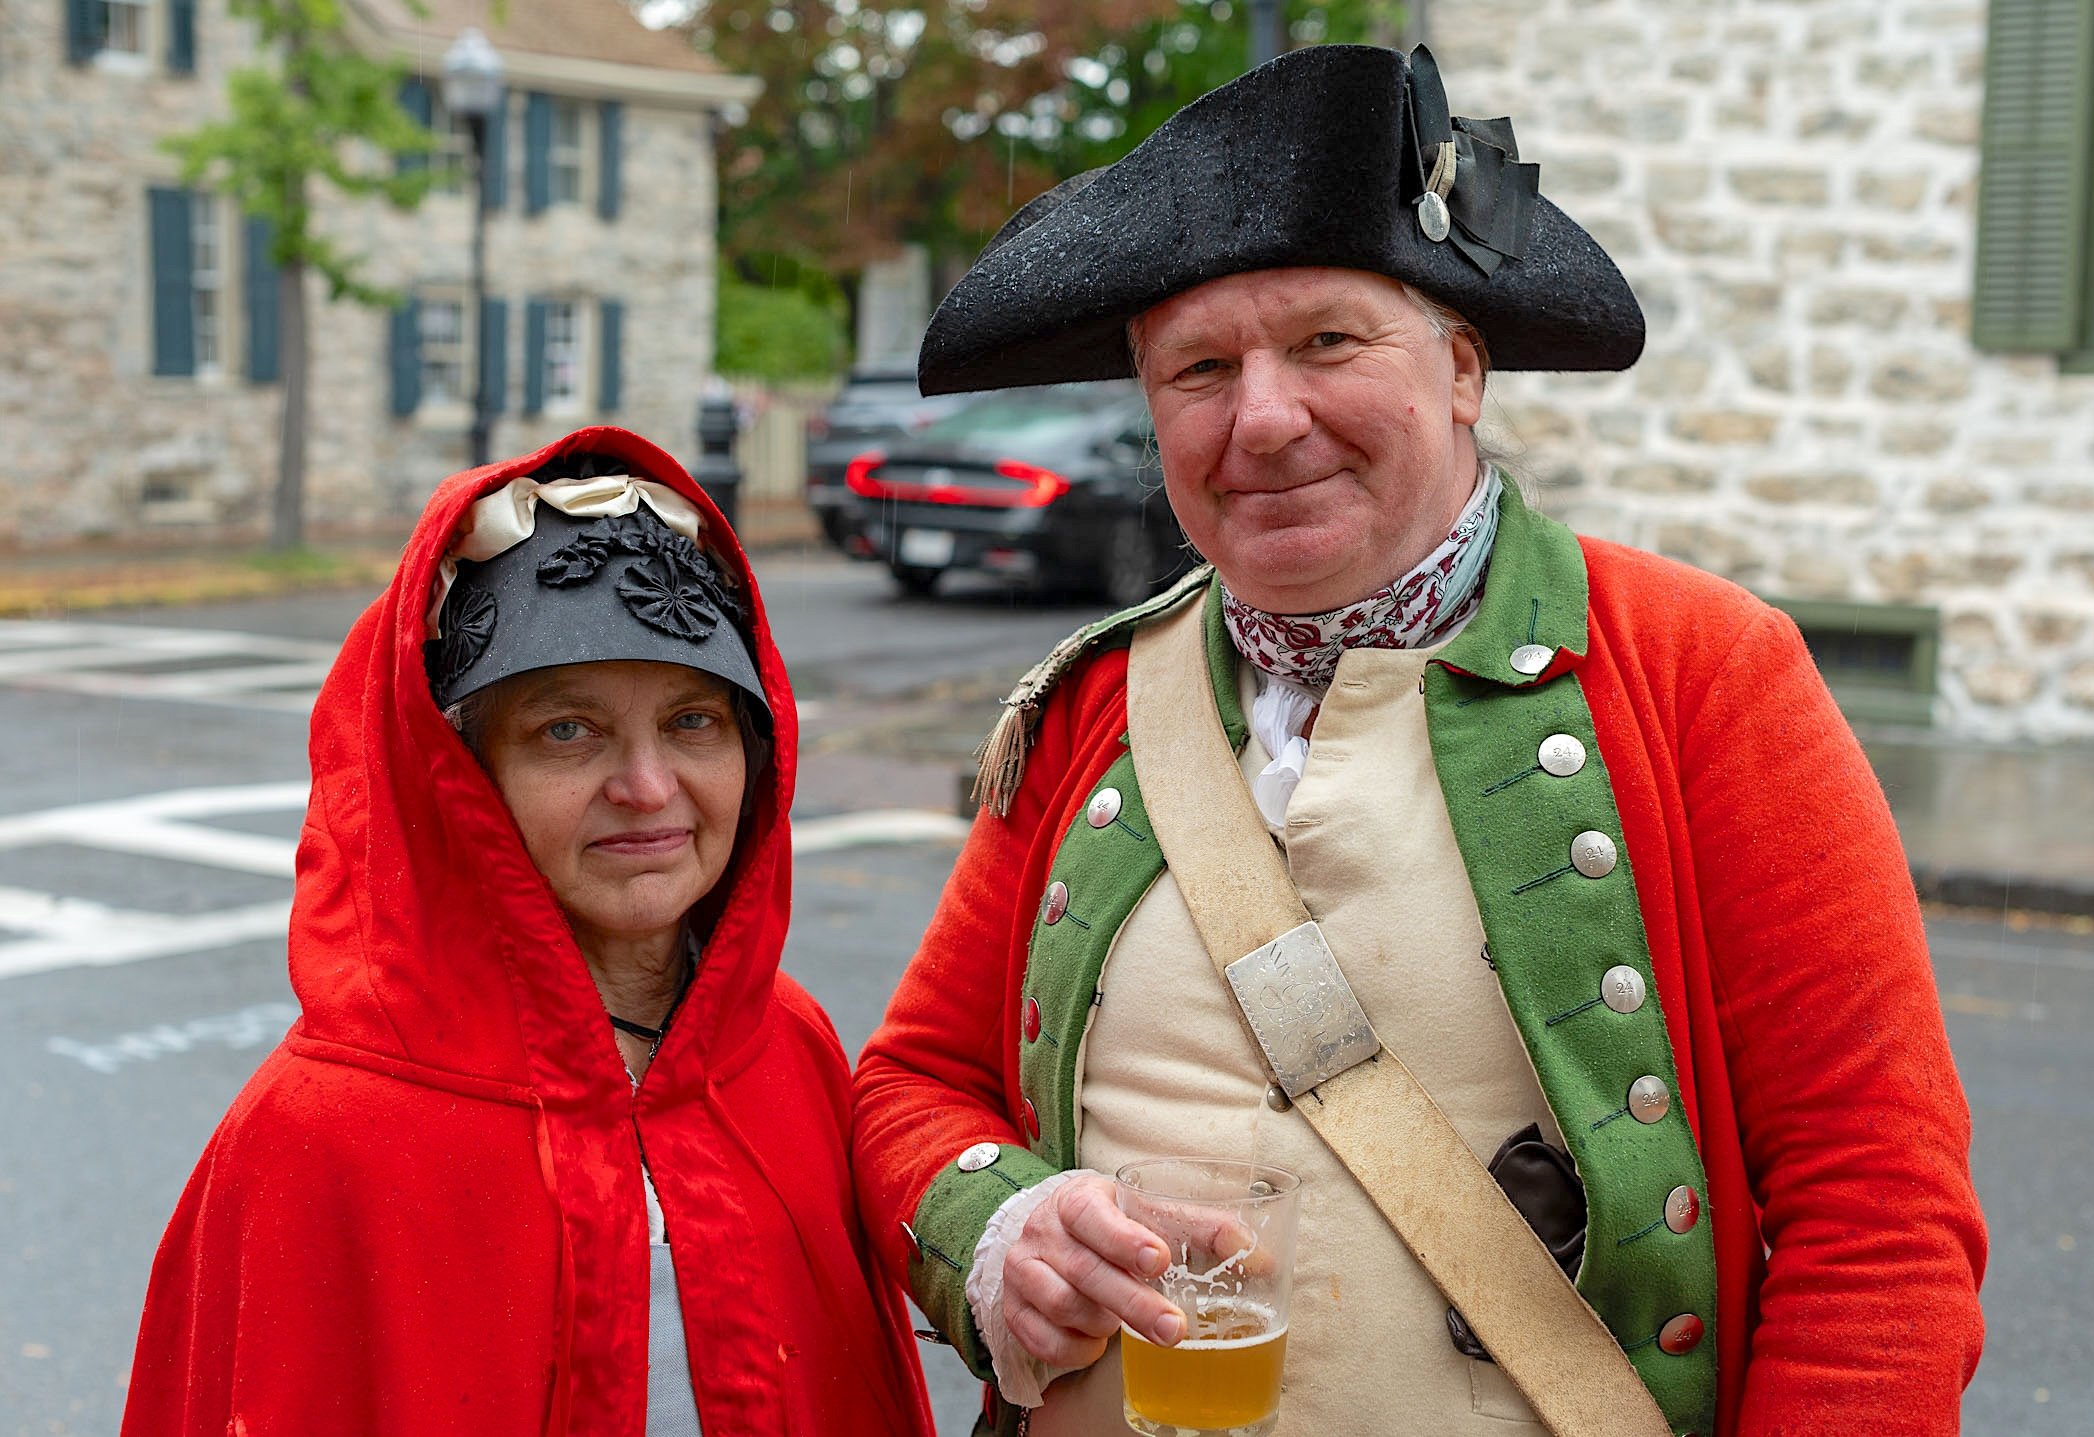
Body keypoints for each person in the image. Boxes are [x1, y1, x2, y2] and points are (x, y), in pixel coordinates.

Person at [853, 43, 1986, 1437]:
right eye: (1201, 368)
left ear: (1462, 368)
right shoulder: (1096, 700)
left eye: (1327, 341)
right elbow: (911, 1083)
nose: (1264, 418)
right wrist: (1002, 1227)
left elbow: (1878, 1208)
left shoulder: (1703, 671)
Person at [122, 427, 933, 1436]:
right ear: (465, 777)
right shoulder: (317, 1134)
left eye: (694, 722)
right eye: (568, 730)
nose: (648, 788)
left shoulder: (784, 1048)